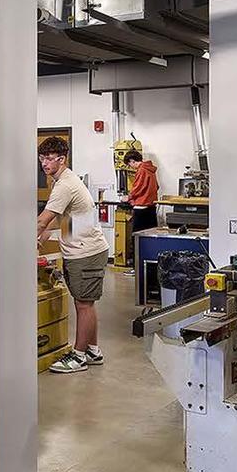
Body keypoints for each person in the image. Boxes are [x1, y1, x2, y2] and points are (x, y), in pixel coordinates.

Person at [38, 136, 112, 374]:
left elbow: (42, 220)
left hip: (86, 254)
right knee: (86, 303)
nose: (44, 164)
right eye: (42, 158)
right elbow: (74, 222)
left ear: (62, 159)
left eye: (49, 159)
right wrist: (46, 235)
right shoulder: (67, 181)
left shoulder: (64, 185)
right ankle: (92, 349)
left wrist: (30, 236)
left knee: (83, 305)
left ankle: (79, 356)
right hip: (84, 250)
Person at [125, 150, 160, 234]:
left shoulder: (142, 170)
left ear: (132, 161)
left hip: (141, 209)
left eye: (129, 164)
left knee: (137, 237)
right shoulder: (150, 169)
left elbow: (138, 187)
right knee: (150, 236)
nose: (130, 167)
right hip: (151, 207)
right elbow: (157, 186)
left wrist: (128, 197)